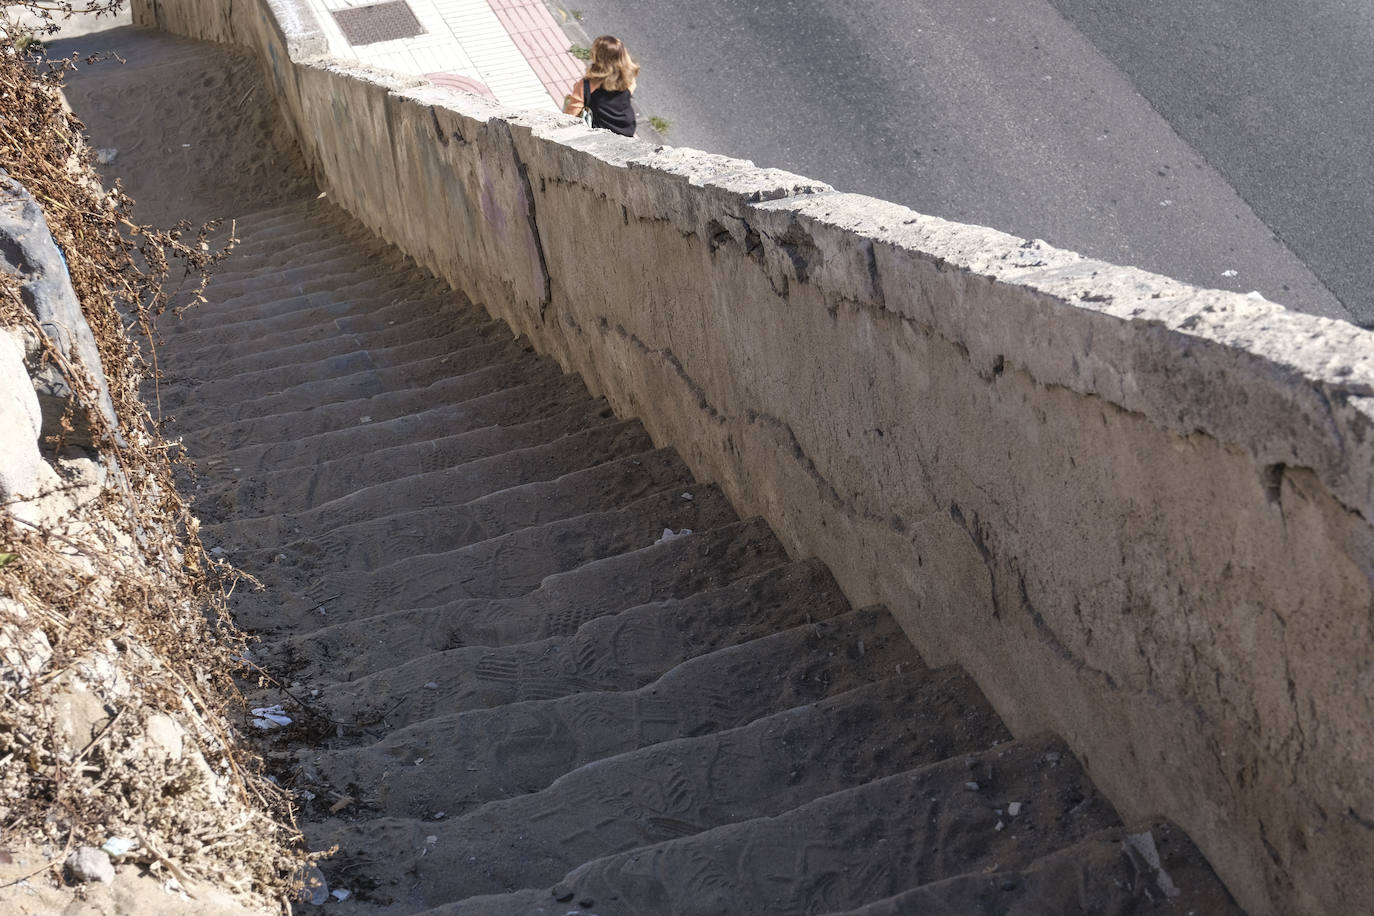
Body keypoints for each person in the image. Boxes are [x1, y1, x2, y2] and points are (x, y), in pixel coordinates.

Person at [563, 35, 639, 137]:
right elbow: (631, 89)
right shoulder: (628, 78)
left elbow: (571, 114)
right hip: (626, 127)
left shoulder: (586, 85)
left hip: (602, 133)